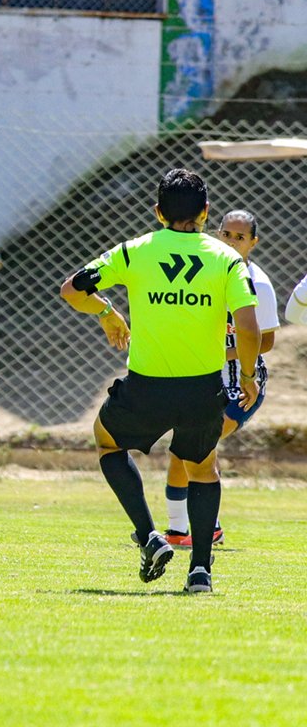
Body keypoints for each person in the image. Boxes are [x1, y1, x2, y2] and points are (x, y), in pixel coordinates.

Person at [60, 168, 259, 594]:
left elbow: (71, 290)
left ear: (157, 212)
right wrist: (245, 374)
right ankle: (201, 572)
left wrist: (106, 313)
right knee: (203, 468)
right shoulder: (226, 259)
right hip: (202, 389)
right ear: (206, 213)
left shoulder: (134, 252)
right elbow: (247, 324)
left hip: (146, 386)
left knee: (107, 442)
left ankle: (150, 536)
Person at [159, 209, 278, 548]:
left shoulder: (258, 283)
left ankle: (201, 526)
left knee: (194, 446)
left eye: (239, 237)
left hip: (241, 384)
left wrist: (221, 352)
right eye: (226, 234)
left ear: (253, 242)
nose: (230, 241)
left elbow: (265, 341)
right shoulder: (205, 272)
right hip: (203, 380)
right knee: (185, 449)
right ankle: (181, 530)